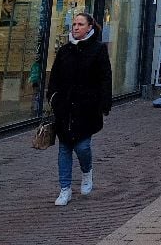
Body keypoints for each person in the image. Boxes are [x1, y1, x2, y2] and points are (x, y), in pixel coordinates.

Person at [47, 12, 112, 206]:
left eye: (80, 24)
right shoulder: (65, 50)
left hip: (87, 108)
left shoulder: (98, 49)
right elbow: (55, 77)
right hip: (64, 108)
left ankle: (87, 171)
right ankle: (65, 189)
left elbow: (105, 78)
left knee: (82, 146)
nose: (75, 27)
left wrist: (103, 104)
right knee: (64, 148)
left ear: (90, 27)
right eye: (74, 24)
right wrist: (53, 98)